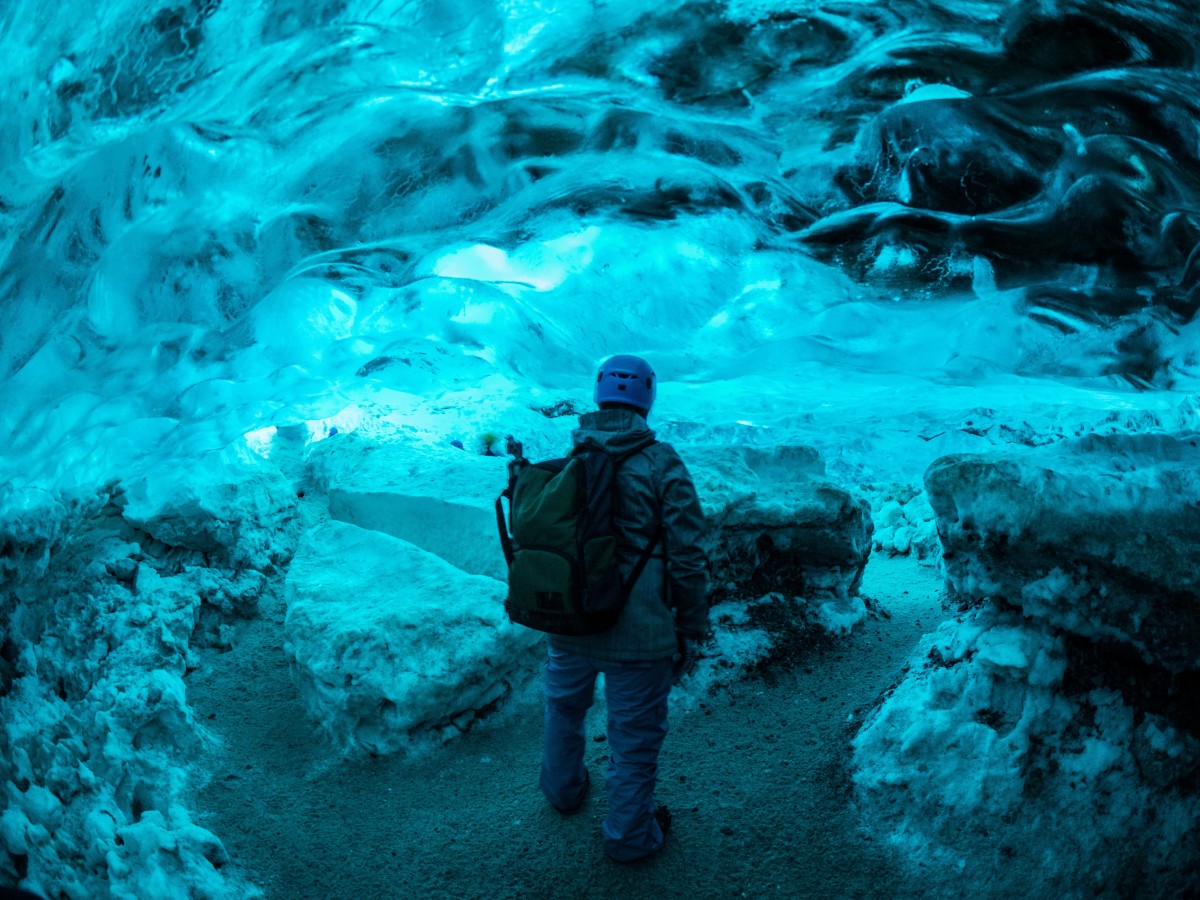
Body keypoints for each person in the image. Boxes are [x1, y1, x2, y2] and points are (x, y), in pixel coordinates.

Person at [540, 354, 709, 863]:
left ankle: (563, 791)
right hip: (638, 632)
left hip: (569, 622)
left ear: (598, 395)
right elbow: (687, 551)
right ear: (647, 398)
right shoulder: (661, 462)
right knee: (634, 738)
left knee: (563, 709)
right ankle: (629, 836)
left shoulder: (571, 455)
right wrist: (693, 622)